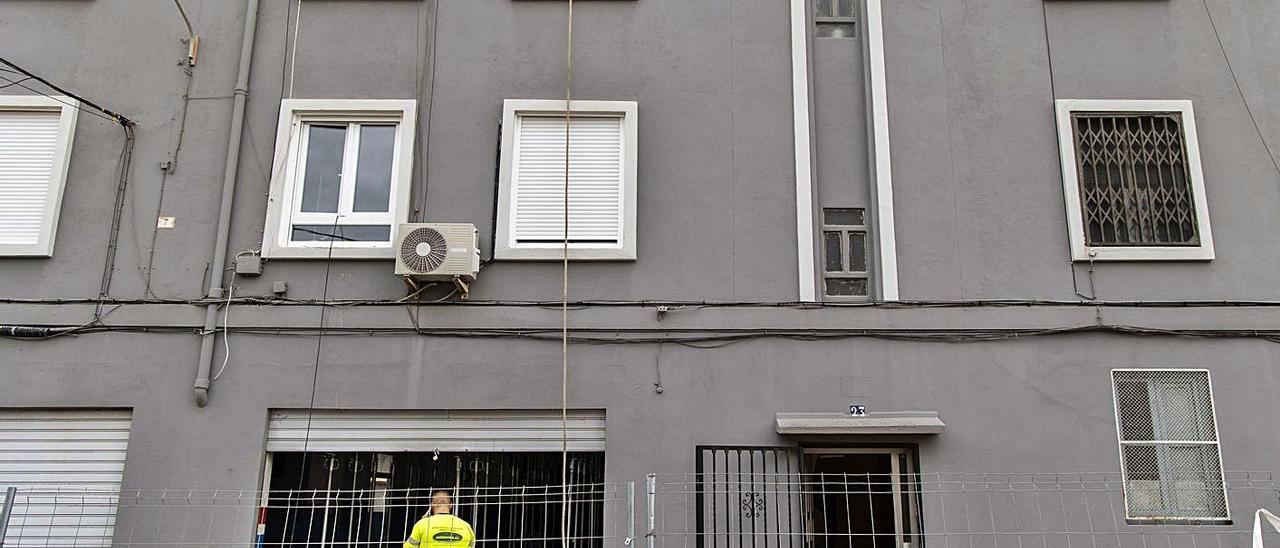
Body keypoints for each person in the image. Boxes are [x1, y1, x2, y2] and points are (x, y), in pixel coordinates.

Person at [404, 490, 476, 548]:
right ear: (451, 505)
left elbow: (409, 546)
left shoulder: (422, 525)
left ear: (432, 505)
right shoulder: (466, 526)